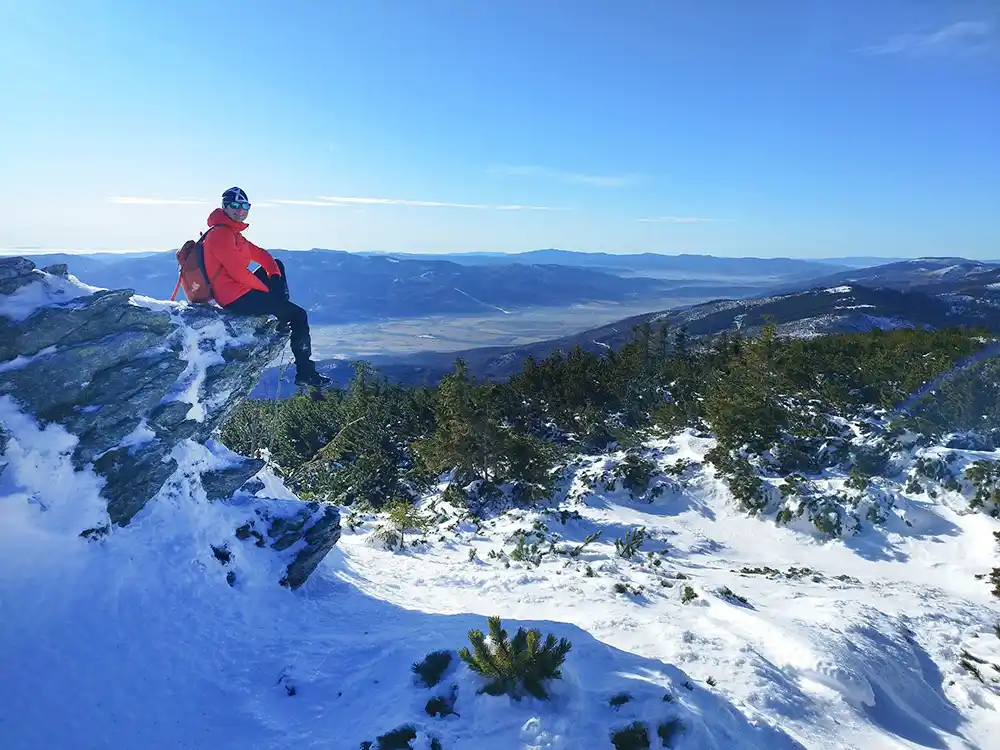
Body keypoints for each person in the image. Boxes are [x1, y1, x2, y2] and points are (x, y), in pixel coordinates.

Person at [203, 186, 332, 391]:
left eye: (245, 205)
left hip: (239, 291)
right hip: (235, 298)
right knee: (299, 315)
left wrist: (272, 276)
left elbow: (262, 256)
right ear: (224, 207)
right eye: (235, 205)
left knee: (276, 265)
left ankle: (281, 314)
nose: (240, 210)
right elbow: (238, 273)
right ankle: (306, 373)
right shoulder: (221, 234)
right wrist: (267, 291)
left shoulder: (232, 232)